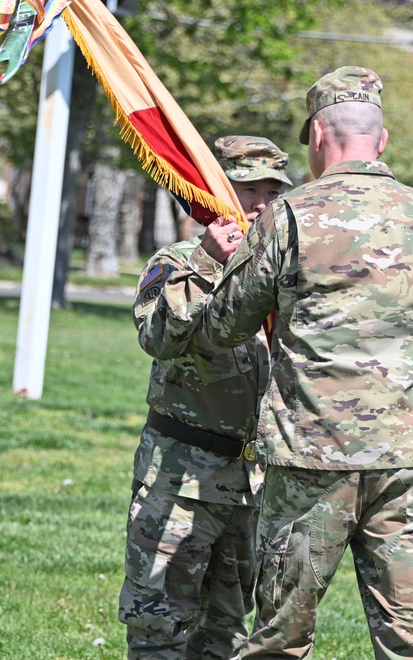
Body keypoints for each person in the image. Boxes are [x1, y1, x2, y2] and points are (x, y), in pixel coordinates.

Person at [157, 66, 413, 658]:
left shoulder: (290, 216)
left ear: (317, 139)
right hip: (410, 457)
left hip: (310, 456)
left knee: (280, 637)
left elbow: (228, 325)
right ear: (381, 140)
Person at [119, 136, 292, 659]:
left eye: (272, 190)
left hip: (253, 488)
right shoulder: (178, 260)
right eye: (247, 188)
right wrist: (207, 263)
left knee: (227, 635)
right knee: (160, 628)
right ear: (218, 192)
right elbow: (157, 337)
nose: (261, 202)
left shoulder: (282, 271)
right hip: (181, 478)